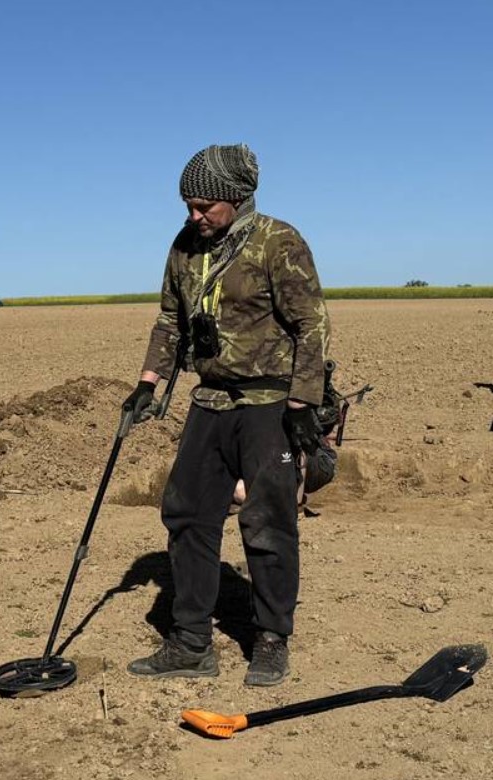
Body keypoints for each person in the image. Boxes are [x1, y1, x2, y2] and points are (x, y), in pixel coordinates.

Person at [124, 144, 330, 687]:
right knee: (187, 512)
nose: (194, 217)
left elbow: (312, 324)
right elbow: (170, 319)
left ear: (237, 199)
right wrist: (148, 383)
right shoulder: (186, 246)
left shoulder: (278, 241)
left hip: (269, 405)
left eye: (204, 207)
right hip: (211, 399)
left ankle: (270, 638)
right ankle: (191, 642)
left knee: (267, 519)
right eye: (188, 206)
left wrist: (304, 402)